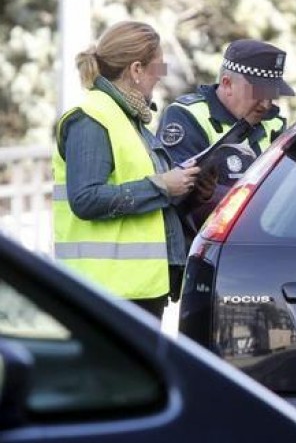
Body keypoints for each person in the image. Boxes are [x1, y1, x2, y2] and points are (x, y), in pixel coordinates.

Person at [52, 20, 214, 320]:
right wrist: (162, 186)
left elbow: (144, 196)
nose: (160, 79)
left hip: (137, 289)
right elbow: (85, 200)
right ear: (136, 70)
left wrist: (188, 189)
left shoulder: (129, 120)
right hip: (104, 292)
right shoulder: (92, 118)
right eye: (158, 69)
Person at [156, 38, 296, 239]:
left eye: (272, 94)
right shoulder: (188, 116)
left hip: (261, 245)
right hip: (205, 251)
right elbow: (176, 197)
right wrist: (206, 195)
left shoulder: (274, 124)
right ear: (227, 84)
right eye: (258, 93)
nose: (265, 105)